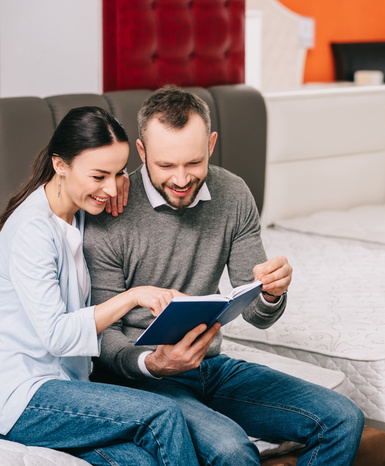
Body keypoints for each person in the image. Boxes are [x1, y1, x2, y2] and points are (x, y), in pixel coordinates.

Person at [83, 86, 365, 465]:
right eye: (166, 166)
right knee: (233, 449)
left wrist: (271, 293)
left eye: (193, 163)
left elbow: (255, 314)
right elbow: (99, 337)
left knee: (343, 419)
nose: (181, 179)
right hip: (143, 380)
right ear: (142, 151)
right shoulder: (110, 209)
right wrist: (153, 364)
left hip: (209, 366)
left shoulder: (233, 194)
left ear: (211, 144)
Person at [0, 106, 199, 465]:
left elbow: (119, 180)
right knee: (162, 415)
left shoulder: (77, 213)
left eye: (118, 172)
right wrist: (133, 296)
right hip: (22, 394)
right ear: (60, 165)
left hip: (68, 387)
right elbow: (58, 335)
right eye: (99, 175)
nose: (110, 187)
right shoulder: (32, 230)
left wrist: (118, 181)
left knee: (141, 460)